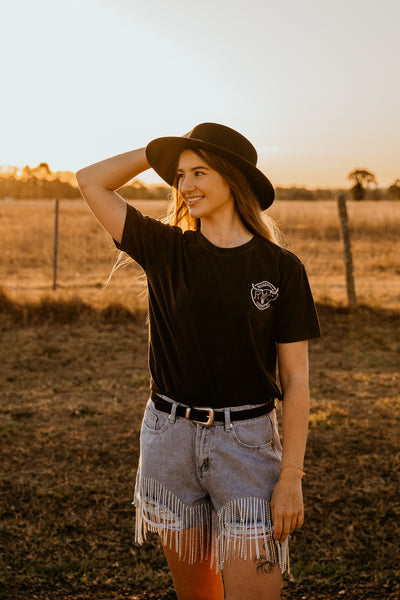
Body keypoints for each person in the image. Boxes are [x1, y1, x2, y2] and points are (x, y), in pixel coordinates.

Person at [76, 123, 321, 600]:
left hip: (248, 448)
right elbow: (90, 180)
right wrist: (157, 153)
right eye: (180, 175)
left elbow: (295, 379)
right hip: (170, 442)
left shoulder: (280, 268)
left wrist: (291, 475)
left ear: (234, 178)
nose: (185, 186)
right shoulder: (166, 248)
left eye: (199, 172)